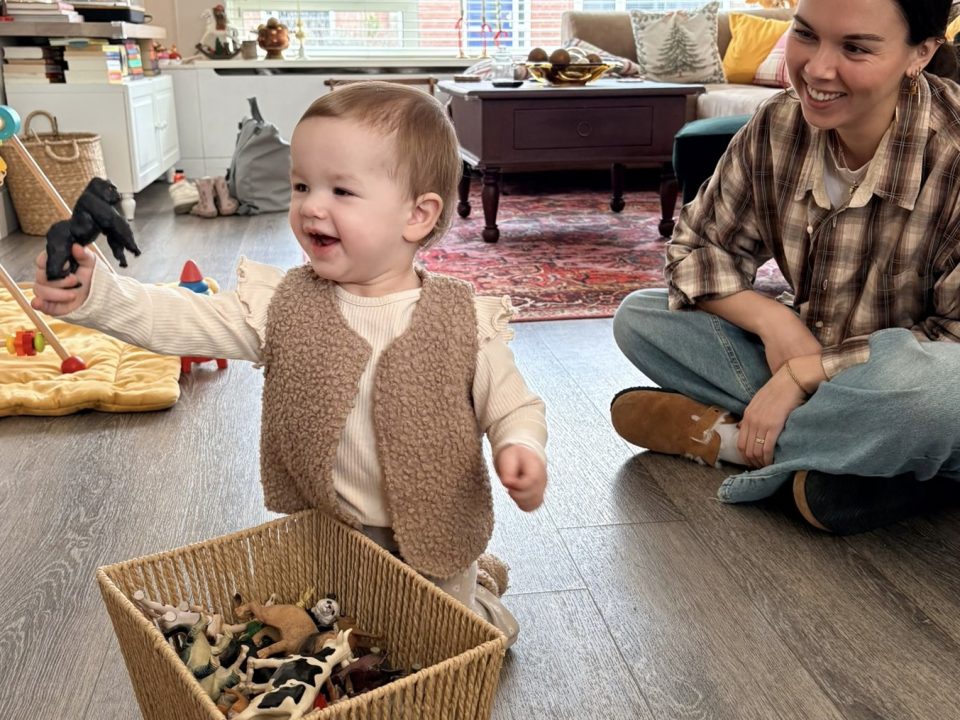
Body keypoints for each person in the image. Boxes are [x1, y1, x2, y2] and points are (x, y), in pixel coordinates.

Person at [31, 82, 548, 644]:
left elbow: (513, 403)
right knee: (349, 640)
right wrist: (99, 296)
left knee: (447, 646)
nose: (310, 206)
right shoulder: (283, 305)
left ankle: (483, 610)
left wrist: (520, 446)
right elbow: (181, 318)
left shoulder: (462, 318)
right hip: (332, 532)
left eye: (341, 191)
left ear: (417, 215)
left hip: (439, 533)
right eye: (302, 185)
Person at [610, 0, 960, 534]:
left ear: (922, 53)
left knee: (939, 396)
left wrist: (805, 374)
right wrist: (774, 323)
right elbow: (696, 249)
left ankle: (728, 440)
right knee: (641, 317)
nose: (818, 70)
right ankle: (869, 462)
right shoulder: (778, 124)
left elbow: (953, 342)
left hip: (909, 377)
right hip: (817, 355)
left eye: (856, 48)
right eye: (805, 34)